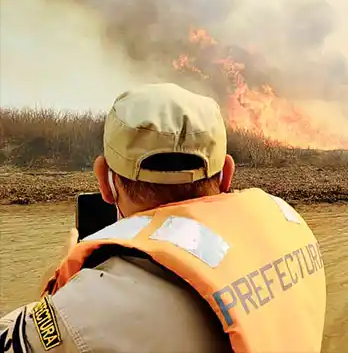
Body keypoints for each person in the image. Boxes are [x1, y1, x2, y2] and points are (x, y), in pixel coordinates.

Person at [0, 83, 327, 353]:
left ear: (104, 180)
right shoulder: (293, 228)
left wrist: (61, 274)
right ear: (227, 174)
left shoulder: (88, 309)